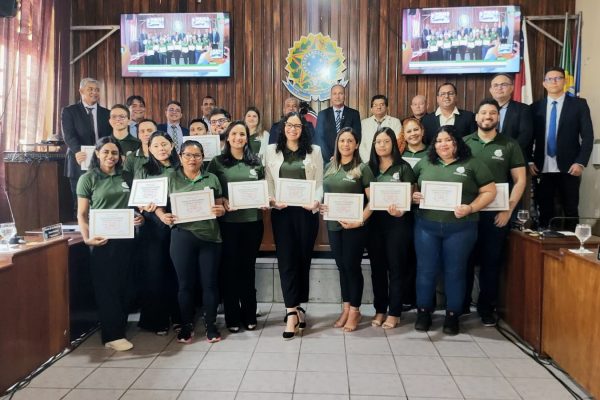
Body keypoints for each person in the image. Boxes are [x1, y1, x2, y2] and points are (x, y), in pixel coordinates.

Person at [412, 125, 496, 335]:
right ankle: (423, 312)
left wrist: (471, 207)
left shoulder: (472, 163)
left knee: (455, 272)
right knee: (425, 270)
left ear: (457, 143)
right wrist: (413, 195)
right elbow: (411, 185)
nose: (443, 144)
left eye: (448, 140)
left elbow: (489, 190)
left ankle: (452, 315)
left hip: (461, 229)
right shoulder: (425, 162)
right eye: (439, 141)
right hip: (426, 227)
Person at [155, 140, 226, 344]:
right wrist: (162, 216)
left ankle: (211, 326)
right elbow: (158, 206)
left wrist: (220, 210)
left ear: (202, 157)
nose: (192, 159)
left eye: (196, 155)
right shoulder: (170, 178)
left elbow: (220, 205)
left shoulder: (211, 177)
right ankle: (186, 326)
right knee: (185, 285)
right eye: (187, 155)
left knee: (210, 284)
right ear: (180, 156)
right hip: (182, 236)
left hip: (210, 237)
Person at [76, 136, 143, 351]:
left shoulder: (126, 176)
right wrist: (87, 238)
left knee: (126, 285)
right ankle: (111, 336)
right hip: (102, 241)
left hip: (126, 239)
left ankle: (119, 327)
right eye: (106, 152)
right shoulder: (88, 178)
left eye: (114, 153)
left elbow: (134, 207)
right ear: (97, 153)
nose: (110, 156)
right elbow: (82, 214)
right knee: (107, 288)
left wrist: (139, 217)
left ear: (120, 156)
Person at [463, 99, 526, 326]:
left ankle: (486, 307)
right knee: (465, 260)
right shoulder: (464, 143)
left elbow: (520, 180)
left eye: (492, 113)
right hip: (467, 213)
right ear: (476, 117)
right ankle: (461, 305)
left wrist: (508, 209)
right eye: (483, 113)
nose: (487, 116)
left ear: (498, 118)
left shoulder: (509, 144)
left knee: (491, 262)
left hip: (496, 214)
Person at [264, 112, 323, 339]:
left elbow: (319, 183)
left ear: (303, 129)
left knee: (302, 260)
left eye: (298, 126)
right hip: (282, 212)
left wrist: (317, 200)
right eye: (289, 125)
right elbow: (268, 180)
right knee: (286, 259)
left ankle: (298, 306)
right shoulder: (271, 151)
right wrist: (271, 200)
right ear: (283, 128)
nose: (293, 129)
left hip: (306, 213)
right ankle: (290, 312)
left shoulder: (314, 151)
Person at [207, 121, 265, 332]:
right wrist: (222, 200)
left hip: (252, 223)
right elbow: (211, 189)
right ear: (227, 137)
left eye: (242, 134)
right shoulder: (217, 162)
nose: (238, 137)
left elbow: (262, 189)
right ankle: (232, 317)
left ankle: (249, 314)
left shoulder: (255, 162)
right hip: (228, 224)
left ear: (247, 138)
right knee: (229, 270)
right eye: (234, 134)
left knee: (247, 269)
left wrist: (263, 199)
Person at [320, 127, 375, 332]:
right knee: (342, 266)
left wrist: (360, 220)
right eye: (342, 140)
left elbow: (373, 201)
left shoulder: (363, 168)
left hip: (355, 227)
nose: (346, 144)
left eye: (350, 141)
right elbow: (324, 195)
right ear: (337, 143)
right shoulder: (329, 166)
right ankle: (345, 307)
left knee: (352, 267)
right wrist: (323, 205)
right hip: (334, 225)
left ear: (356, 144)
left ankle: (355, 310)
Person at [529, 66, 594, 229]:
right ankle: (546, 246)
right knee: (544, 210)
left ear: (564, 81)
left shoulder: (579, 104)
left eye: (558, 78)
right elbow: (528, 137)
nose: (554, 81)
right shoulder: (535, 107)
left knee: (571, 209)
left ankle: (573, 246)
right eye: (550, 79)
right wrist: (529, 161)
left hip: (570, 166)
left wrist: (580, 162)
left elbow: (588, 137)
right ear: (544, 83)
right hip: (541, 167)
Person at [367, 127, 416, 329]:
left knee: (396, 268)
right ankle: (380, 309)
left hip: (398, 224)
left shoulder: (403, 167)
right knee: (377, 269)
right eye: (378, 141)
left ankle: (394, 311)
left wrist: (401, 211)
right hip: (373, 225)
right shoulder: (368, 168)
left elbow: (411, 196)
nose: (382, 145)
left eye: (386, 141)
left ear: (393, 144)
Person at [135, 132, 182, 335]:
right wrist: (157, 212)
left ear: (172, 145)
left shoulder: (180, 167)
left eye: (165, 144)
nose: (161, 148)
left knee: (178, 272)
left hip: (178, 221)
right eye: (156, 145)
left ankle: (180, 317)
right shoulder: (144, 169)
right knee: (155, 272)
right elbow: (138, 200)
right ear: (150, 149)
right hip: (153, 226)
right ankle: (157, 320)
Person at [62, 77, 111, 212]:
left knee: (100, 199)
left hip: (102, 162)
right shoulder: (69, 111)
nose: (94, 92)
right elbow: (69, 135)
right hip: (79, 160)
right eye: (90, 89)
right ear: (81, 91)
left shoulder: (106, 113)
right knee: (80, 203)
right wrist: (77, 151)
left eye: (97, 90)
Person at [315, 84, 362, 162]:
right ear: (331, 96)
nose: (337, 97)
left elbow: (357, 137)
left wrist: (343, 156)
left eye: (340, 93)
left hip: (348, 158)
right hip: (327, 160)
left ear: (344, 96)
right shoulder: (322, 114)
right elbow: (319, 138)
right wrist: (330, 157)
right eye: (334, 94)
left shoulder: (354, 114)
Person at [488, 73, 533, 154]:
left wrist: (507, 152)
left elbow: (525, 136)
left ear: (512, 88)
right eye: (495, 85)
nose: (499, 88)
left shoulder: (523, 109)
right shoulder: (484, 110)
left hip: (513, 156)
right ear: (491, 90)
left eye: (504, 85)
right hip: (487, 155)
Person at [359, 95, 402, 162]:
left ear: (387, 107)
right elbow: (362, 145)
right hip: (368, 161)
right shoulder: (364, 123)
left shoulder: (395, 122)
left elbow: (397, 143)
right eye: (375, 105)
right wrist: (369, 161)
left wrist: (387, 160)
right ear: (371, 108)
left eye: (382, 104)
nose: (378, 107)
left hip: (389, 161)